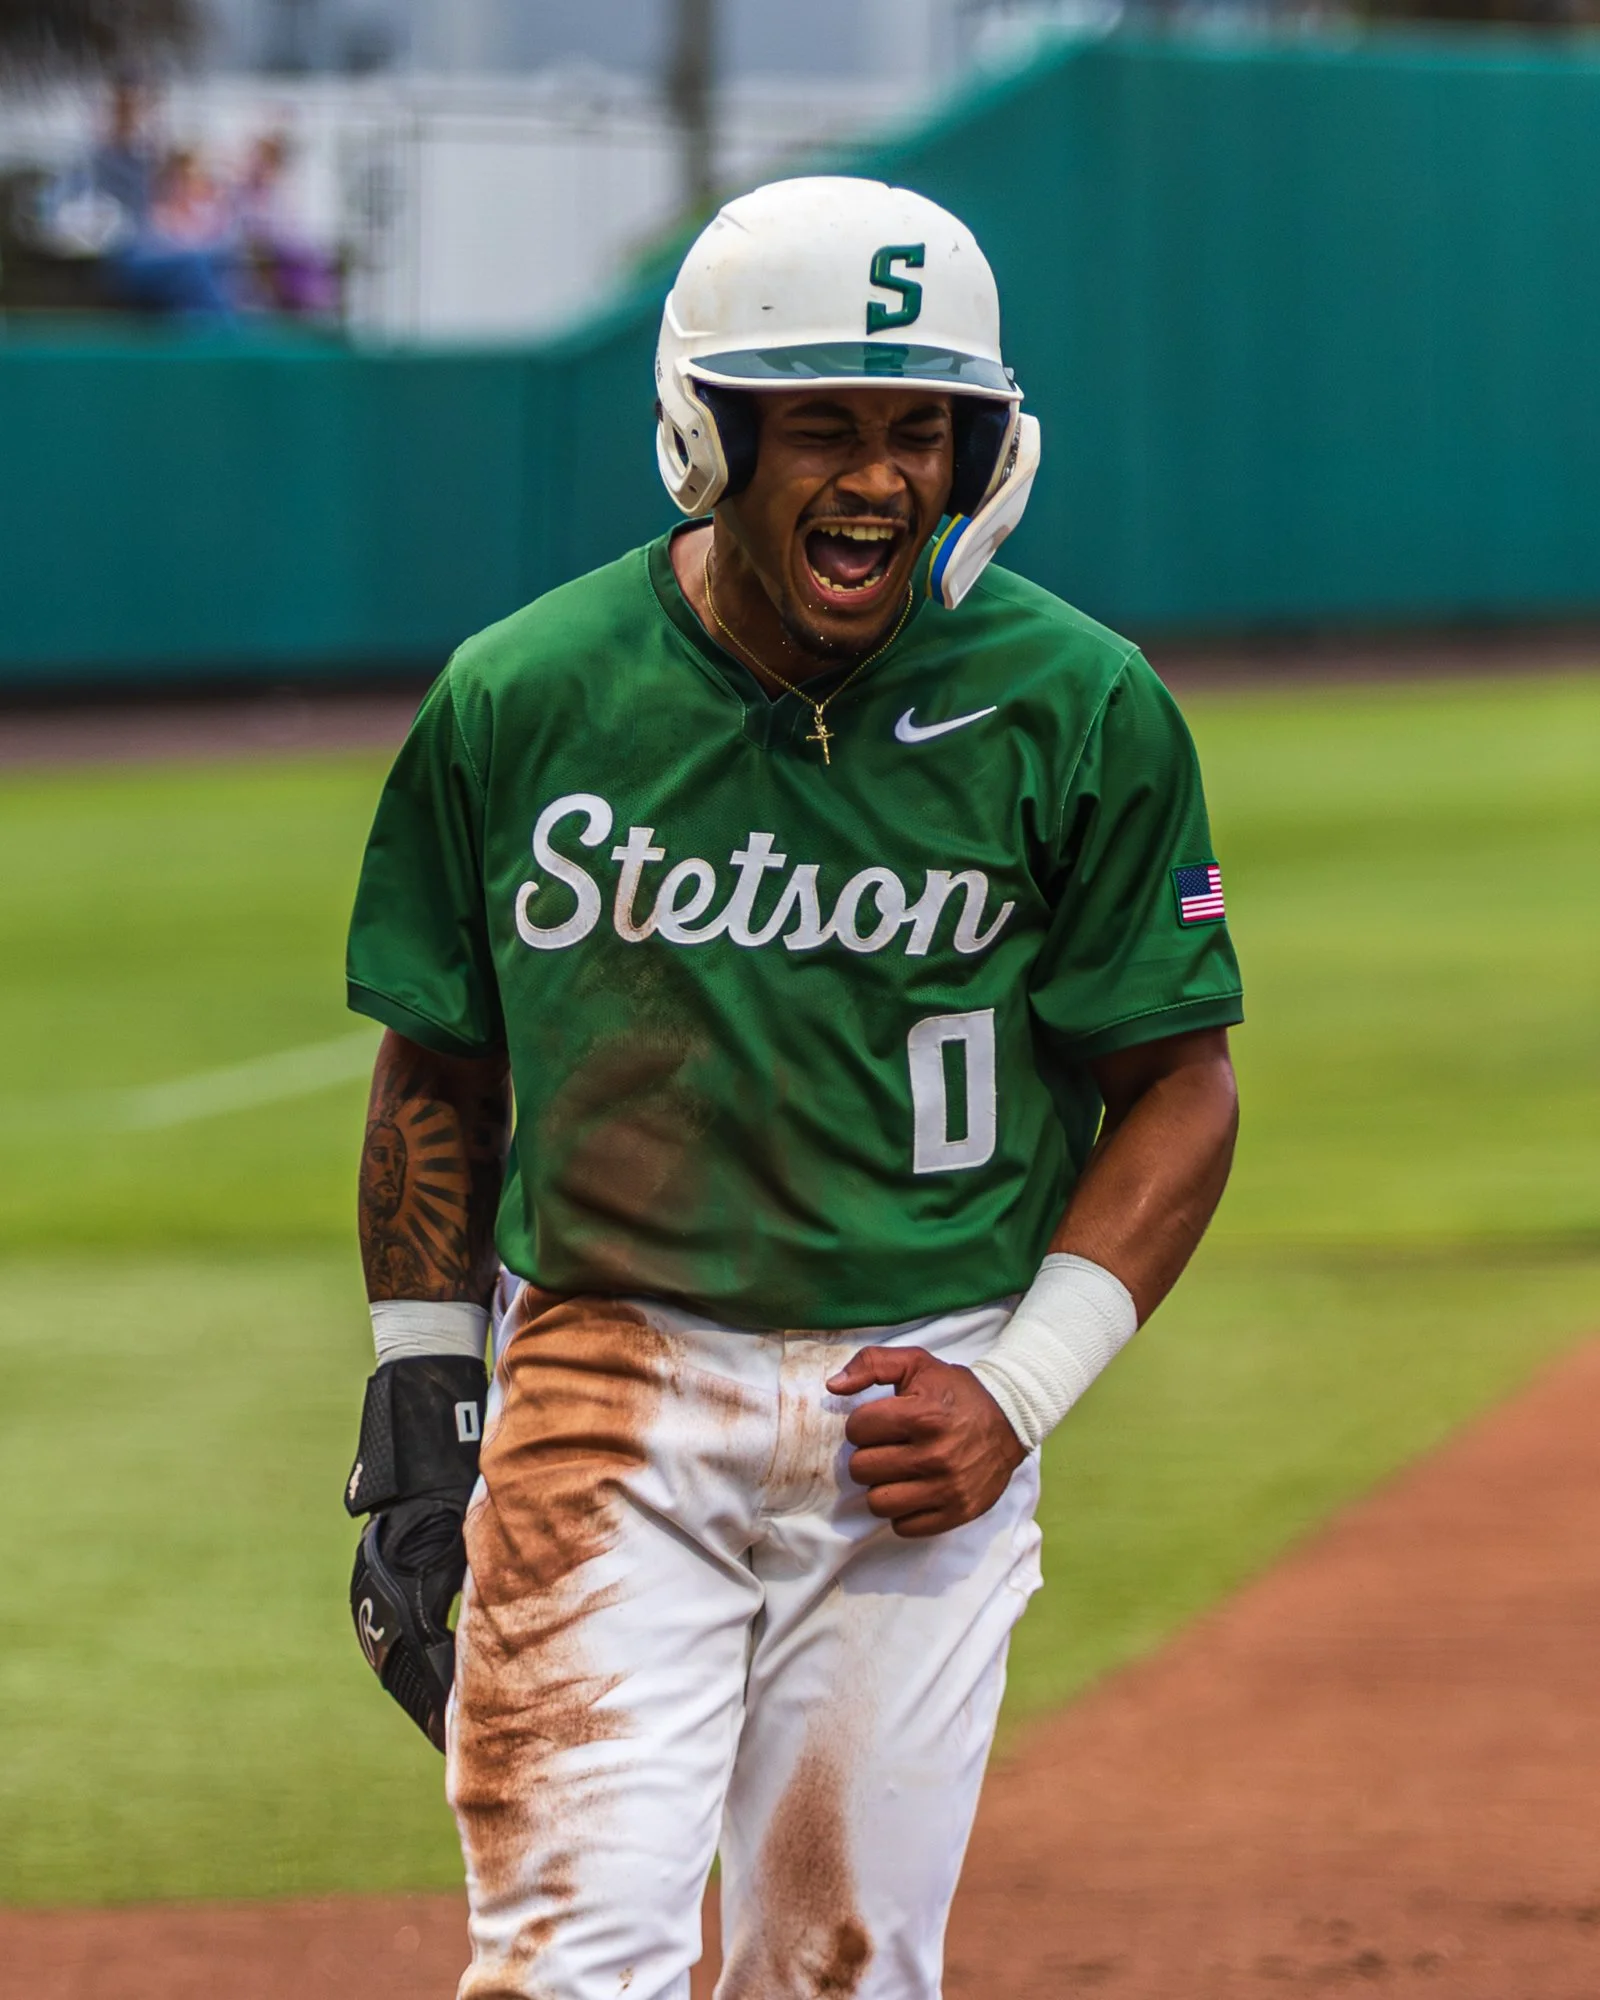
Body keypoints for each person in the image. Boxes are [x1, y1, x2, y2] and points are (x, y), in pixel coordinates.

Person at [341, 175, 1243, 2000]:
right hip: (605, 1375)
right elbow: (439, 1067)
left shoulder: (1083, 704)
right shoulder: (523, 695)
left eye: (923, 429)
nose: (879, 478)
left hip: (920, 1406)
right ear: (709, 433)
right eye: (820, 424)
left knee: (837, 1968)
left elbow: (1181, 1088)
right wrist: (421, 1405)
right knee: (561, 1964)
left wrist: (1021, 1386)